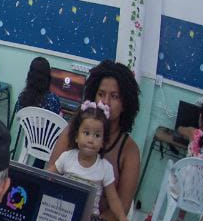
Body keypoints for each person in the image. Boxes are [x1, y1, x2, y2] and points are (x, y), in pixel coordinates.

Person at [48, 60, 142, 210]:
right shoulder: (72, 131)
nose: (105, 102)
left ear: (126, 103)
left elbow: (121, 210)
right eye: (101, 94)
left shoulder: (129, 151)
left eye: (115, 96)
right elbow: (49, 179)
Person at [53, 102, 133, 221]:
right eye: (86, 133)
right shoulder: (66, 158)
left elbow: (113, 199)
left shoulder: (105, 168)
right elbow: (47, 176)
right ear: (76, 136)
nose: (91, 140)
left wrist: (123, 218)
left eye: (97, 135)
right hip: (62, 215)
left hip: (89, 220)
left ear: (103, 142)